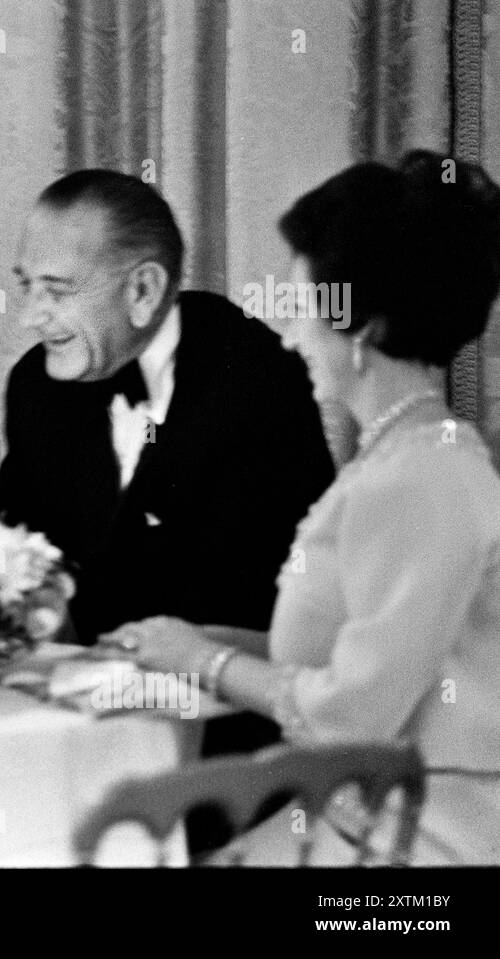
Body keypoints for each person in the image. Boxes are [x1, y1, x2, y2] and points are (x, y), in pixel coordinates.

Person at [103, 150, 500, 865]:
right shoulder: (403, 456)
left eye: (305, 310)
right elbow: (348, 654)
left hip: (417, 844)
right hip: (355, 815)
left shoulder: (423, 476)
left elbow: (349, 711)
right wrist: (188, 637)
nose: (289, 337)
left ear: (366, 329)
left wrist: (204, 657)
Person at [0, 169, 335, 649]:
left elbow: (299, 598)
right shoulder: (35, 384)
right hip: (69, 698)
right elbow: (19, 536)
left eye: (59, 291)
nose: (29, 316)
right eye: (27, 286)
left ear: (144, 291)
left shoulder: (260, 377)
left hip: (219, 703)